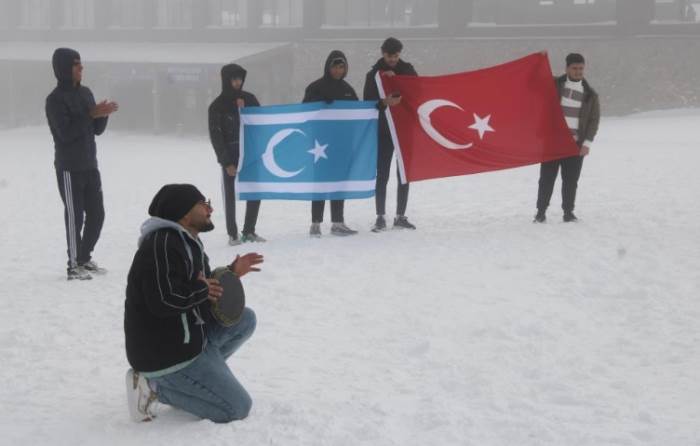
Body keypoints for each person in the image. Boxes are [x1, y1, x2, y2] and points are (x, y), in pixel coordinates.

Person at [124, 184, 264, 423]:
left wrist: (230, 273)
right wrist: (201, 289)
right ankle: (154, 387)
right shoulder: (161, 246)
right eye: (203, 203)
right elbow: (163, 301)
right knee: (237, 408)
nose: (210, 208)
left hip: (188, 338)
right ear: (184, 212)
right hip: (166, 354)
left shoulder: (188, 242)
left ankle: (197, 381)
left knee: (245, 319)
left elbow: (201, 289)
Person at [45, 48, 118, 280]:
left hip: (90, 164)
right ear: (65, 69)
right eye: (76, 64)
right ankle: (73, 265)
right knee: (75, 216)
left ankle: (84, 258)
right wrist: (91, 114)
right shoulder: (54, 100)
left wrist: (102, 114)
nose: (81, 68)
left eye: (81, 64)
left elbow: (96, 130)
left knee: (98, 214)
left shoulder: (86, 93)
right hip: (69, 168)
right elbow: (65, 133)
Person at [535, 53, 600, 223]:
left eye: (581, 68)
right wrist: (538, 61)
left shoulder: (590, 95)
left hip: (575, 145)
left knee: (571, 181)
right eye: (575, 68)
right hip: (552, 143)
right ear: (567, 68)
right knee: (546, 180)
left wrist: (587, 143)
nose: (578, 71)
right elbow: (532, 83)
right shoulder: (554, 85)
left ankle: (568, 212)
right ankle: (540, 212)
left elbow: (594, 120)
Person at [363, 37, 418, 232]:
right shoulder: (373, 75)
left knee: (403, 174)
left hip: (404, 130)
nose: (393, 59)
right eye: (389, 56)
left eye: (396, 56)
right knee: (382, 174)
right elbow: (368, 104)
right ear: (382, 53)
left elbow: (416, 92)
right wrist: (384, 102)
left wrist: (397, 79)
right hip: (383, 131)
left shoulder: (408, 70)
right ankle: (380, 216)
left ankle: (400, 216)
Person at [208, 63, 265, 246]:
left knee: (254, 192)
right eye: (234, 79)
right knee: (230, 195)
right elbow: (216, 136)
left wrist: (245, 110)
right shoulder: (217, 106)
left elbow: (260, 125)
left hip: (250, 153)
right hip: (230, 154)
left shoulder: (250, 99)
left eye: (240, 78)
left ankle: (249, 230)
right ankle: (232, 234)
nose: (237, 82)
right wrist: (226, 162)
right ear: (226, 80)